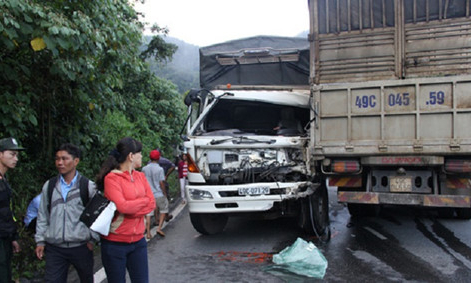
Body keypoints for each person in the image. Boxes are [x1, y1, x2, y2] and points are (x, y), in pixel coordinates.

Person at [35, 143, 98, 283]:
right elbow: (43, 214)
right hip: (55, 248)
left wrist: (92, 238)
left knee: (86, 279)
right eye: (57, 159)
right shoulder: (50, 186)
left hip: (81, 246)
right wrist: (40, 240)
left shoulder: (87, 186)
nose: (60, 163)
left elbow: (97, 216)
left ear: (76, 161)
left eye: (64, 159)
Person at [95, 137, 155, 283]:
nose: (142, 156)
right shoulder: (112, 179)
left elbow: (152, 203)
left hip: (138, 242)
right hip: (115, 243)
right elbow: (122, 206)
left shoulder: (140, 176)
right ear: (131, 156)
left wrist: (132, 207)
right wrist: (142, 202)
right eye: (140, 153)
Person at [0, 137, 24, 282]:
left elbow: (7, 211)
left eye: (17, 155)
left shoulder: (4, 180)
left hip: (5, 237)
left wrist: (13, 237)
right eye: (12, 154)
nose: (15, 159)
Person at [142, 150, 168, 238]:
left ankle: (148, 233)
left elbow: (143, 181)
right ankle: (159, 228)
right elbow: (161, 182)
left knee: (148, 214)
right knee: (163, 210)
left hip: (148, 194)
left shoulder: (144, 169)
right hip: (158, 194)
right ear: (158, 158)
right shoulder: (160, 169)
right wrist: (164, 193)